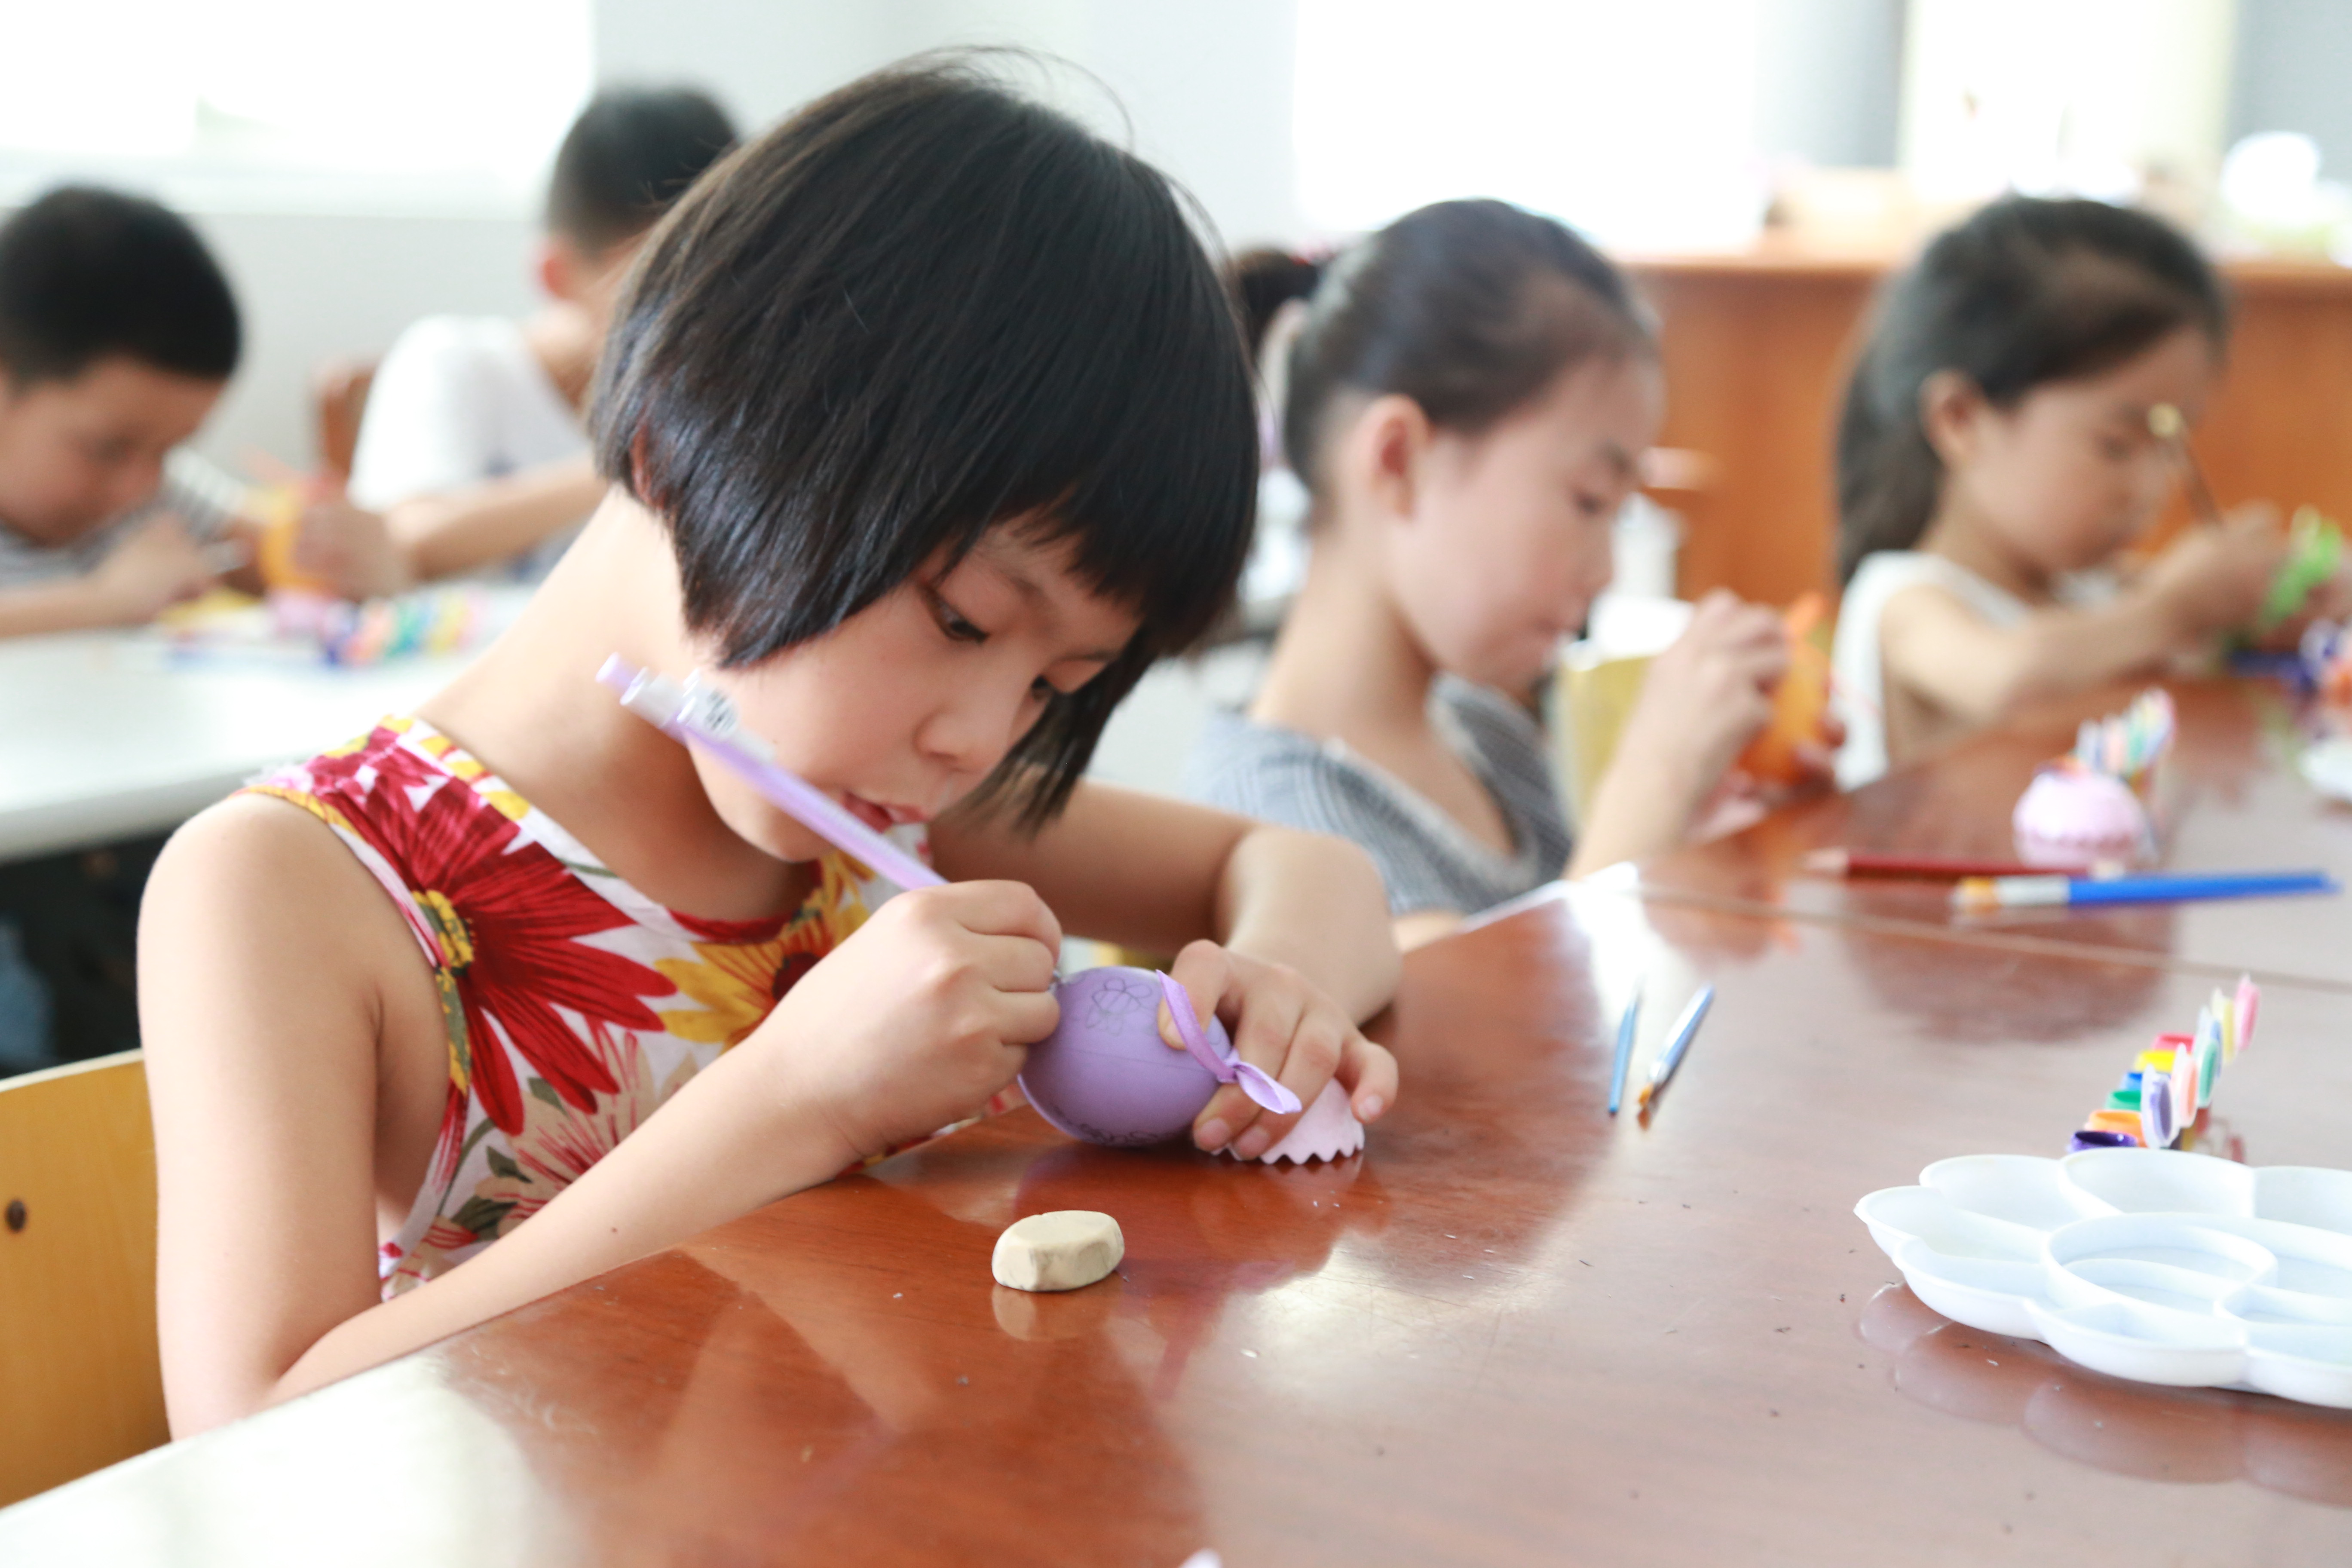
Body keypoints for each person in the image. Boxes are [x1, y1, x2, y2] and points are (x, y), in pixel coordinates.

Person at [139, 60, 1402, 1438]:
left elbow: (1310, 866)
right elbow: (246, 1435)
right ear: (686, 439)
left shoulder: (892, 819)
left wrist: (1277, 994)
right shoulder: (296, 890)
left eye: (1056, 684)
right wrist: (796, 1100)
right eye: (963, 619)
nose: (978, 737)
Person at [1184, 200, 1798, 949]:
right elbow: (1481, 1013)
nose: (1605, 570)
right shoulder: (1266, 809)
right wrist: (1658, 777)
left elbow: (1585, 950)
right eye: (1589, 500)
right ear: (1399, 461)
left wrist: (1690, 840)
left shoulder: (1488, 733)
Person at [1831, 196, 2294, 787]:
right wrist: (2176, 608)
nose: (2154, 487)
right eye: (2116, 445)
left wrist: (2274, 602)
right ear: (1962, 419)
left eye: (2172, 446)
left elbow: (2183, 637)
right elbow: (2013, 682)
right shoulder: (1906, 601)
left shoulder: (2098, 592)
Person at [303, 87, 739, 595]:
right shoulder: (455, 363)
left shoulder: (722, 393)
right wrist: (637, 466)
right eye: (661, 285)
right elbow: (403, 536)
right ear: (556, 275)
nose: (696, 315)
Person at [0, 186, 248, 639]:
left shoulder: (148, 495)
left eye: (169, 450)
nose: (139, 489)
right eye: (108, 449)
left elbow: (269, 547)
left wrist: (339, 549)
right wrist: (103, 601)